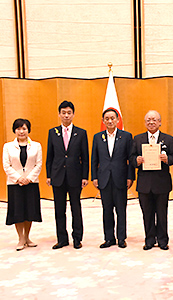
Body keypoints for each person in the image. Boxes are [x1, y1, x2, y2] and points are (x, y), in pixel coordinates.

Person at [131, 110, 173, 251]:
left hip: (161, 182)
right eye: (148, 120)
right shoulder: (138, 139)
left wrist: (167, 159)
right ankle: (149, 239)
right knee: (147, 213)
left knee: (162, 213)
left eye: (154, 119)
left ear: (160, 122)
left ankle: (163, 240)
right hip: (144, 183)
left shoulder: (168, 139)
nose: (151, 122)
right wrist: (136, 160)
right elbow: (131, 157)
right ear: (145, 123)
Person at [46, 101, 89, 250]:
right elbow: (49, 156)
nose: (66, 115)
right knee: (59, 209)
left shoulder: (81, 133)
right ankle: (62, 239)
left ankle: (77, 238)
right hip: (57, 176)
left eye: (69, 112)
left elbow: (85, 157)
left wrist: (85, 176)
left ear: (73, 114)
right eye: (63, 112)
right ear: (59, 114)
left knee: (75, 208)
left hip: (75, 176)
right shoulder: (53, 132)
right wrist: (48, 175)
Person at [91, 108, 134, 249]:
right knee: (106, 210)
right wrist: (94, 177)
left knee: (121, 210)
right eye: (107, 119)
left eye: (112, 118)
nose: (110, 121)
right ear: (103, 121)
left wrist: (130, 177)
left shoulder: (126, 136)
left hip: (120, 178)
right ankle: (109, 238)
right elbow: (94, 159)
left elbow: (130, 159)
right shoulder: (98, 137)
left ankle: (121, 238)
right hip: (104, 179)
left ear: (117, 120)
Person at [3, 118, 42, 251]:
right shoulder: (8, 146)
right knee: (18, 211)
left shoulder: (36, 146)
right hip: (15, 184)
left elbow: (39, 164)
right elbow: (6, 166)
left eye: (24, 128)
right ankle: (20, 238)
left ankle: (27, 237)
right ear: (15, 130)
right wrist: (19, 178)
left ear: (28, 130)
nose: (21, 131)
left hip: (31, 183)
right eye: (19, 128)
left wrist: (29, 178)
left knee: (30, 210)